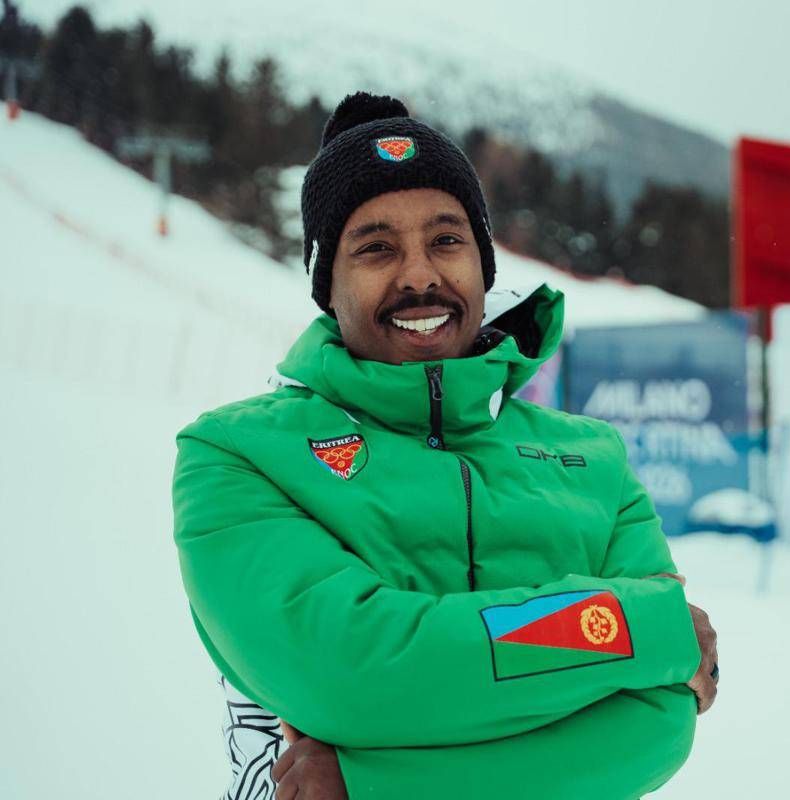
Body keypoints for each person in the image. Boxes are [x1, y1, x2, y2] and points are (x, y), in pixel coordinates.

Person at [172, 91, 719, 800]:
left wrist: (373, 784)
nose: (420, 275)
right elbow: (351, 674)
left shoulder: (594, 460)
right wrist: (637, 627)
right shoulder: (236, 455)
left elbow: (656, 725)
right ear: (325, 285)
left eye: (447, 240)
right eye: (376, 248)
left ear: (484, 266)